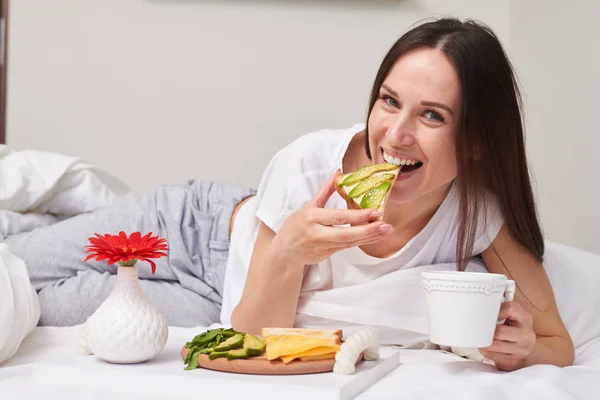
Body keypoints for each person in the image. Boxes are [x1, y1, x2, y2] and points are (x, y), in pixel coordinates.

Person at [5, 17, 574, 372]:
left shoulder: (476, 214)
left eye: (432, 115)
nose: (395, 134)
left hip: (224, 304)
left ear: (476, 142)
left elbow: (557, 344)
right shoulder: (309, 164)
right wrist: (286, 248)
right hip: (194, 229)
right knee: (19, 261)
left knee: (31, 309)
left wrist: (523, 348)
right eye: (388, 101)